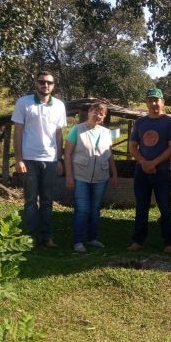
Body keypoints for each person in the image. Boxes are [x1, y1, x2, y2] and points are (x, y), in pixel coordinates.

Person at [11, 71, 67, 248]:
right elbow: (18, 132)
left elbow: (59, 134)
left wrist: (59, 159)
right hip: (29, 158)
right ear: (36, 83)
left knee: (48, 200)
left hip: (50, 159)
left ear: (53, 85)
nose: (46, 85)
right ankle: (31, 237)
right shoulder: (24, 102)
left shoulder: (59, 105)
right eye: (42, 82)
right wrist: (19, 158)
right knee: (30, 200)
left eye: (49, 82)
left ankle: (47, 237)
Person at [128, 87, 171, 254]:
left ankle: (169, 243)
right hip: (141, 171)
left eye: (156, 100)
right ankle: (138, 240)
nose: (153, 103)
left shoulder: (170, 123)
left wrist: (154, 163)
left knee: (165, 207)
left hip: (162, 171)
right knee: (141, 207)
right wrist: (143, 162)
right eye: (150, 100)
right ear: (146, 103)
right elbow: (133, 146)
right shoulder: (140, 123)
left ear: (163, 102)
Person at [64, 102, 118, 253]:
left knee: (95, 209)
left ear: (104, 116)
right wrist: (69, 175)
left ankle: (92, 238)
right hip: (80, 176)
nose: (97, 115)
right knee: (82, 209)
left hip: (101, 177)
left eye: (101, 113)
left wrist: (114, 173)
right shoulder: (77, 130)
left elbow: (109, 155)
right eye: (95, 111)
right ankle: (78, 241)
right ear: (89, 112)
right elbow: (67, 153)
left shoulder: (106, 133)